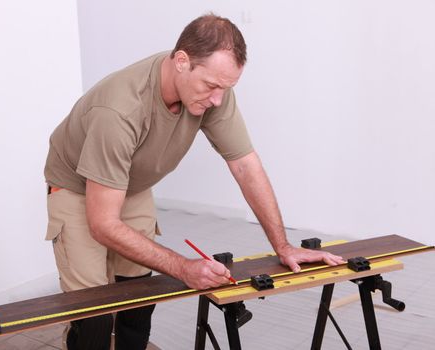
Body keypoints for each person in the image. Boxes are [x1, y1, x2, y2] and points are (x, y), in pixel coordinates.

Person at [44, 13, 344, 350]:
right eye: (212, 86)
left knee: (139, 298)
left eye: (225, 88)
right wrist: (183, 268)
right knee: (95, 315)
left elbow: (246, 166)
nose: (218, 99)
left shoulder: (213, 90)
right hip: (76, 188)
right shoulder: (118, 110)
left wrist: (283, 245)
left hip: (131, 184)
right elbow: (103, 224)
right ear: (182, 62)